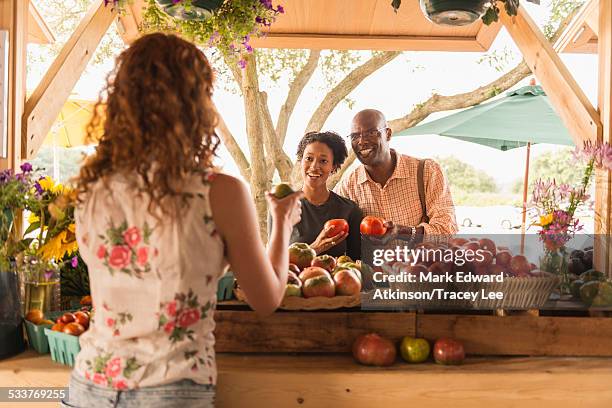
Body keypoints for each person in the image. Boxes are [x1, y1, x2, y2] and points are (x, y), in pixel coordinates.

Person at [65, 33, 302, 408]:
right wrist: (282, 223)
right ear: (196, 106)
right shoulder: (219, 192)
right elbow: (266, 298)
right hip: (171, 386)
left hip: (89, 385)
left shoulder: (93, 187)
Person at [334, 109, 457, 238]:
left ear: (388, 134)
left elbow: (447, 229)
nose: (361, 141)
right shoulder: (348, 186)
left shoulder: (427, 171)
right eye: (354, 136)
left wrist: (404, 232)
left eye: (371, 133)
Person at [275, 131, 362, 260]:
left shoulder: (349, 211)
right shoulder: (282, 207)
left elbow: (357, 264)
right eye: (309, 159)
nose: (314, 166)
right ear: (300, 160)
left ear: (334, 166)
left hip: (339, 279)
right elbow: (272, 264)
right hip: (292, 280)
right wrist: (315, 248)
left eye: (323, 161)